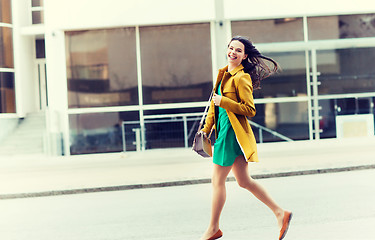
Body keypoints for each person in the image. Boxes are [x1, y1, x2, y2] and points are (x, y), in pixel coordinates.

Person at [199, 36, 292, 240]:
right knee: (243, 181)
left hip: (230, 135)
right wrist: (206, 129)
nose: (233, 52)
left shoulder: (242, 78)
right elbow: (214, 109)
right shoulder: (223, 74)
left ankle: (213, 228)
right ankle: (280, 213)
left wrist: (224, 101)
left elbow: (250, 110)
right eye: (231, 48)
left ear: (244, 56)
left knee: (217, 181)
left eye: (238, 50)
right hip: (222, 132)